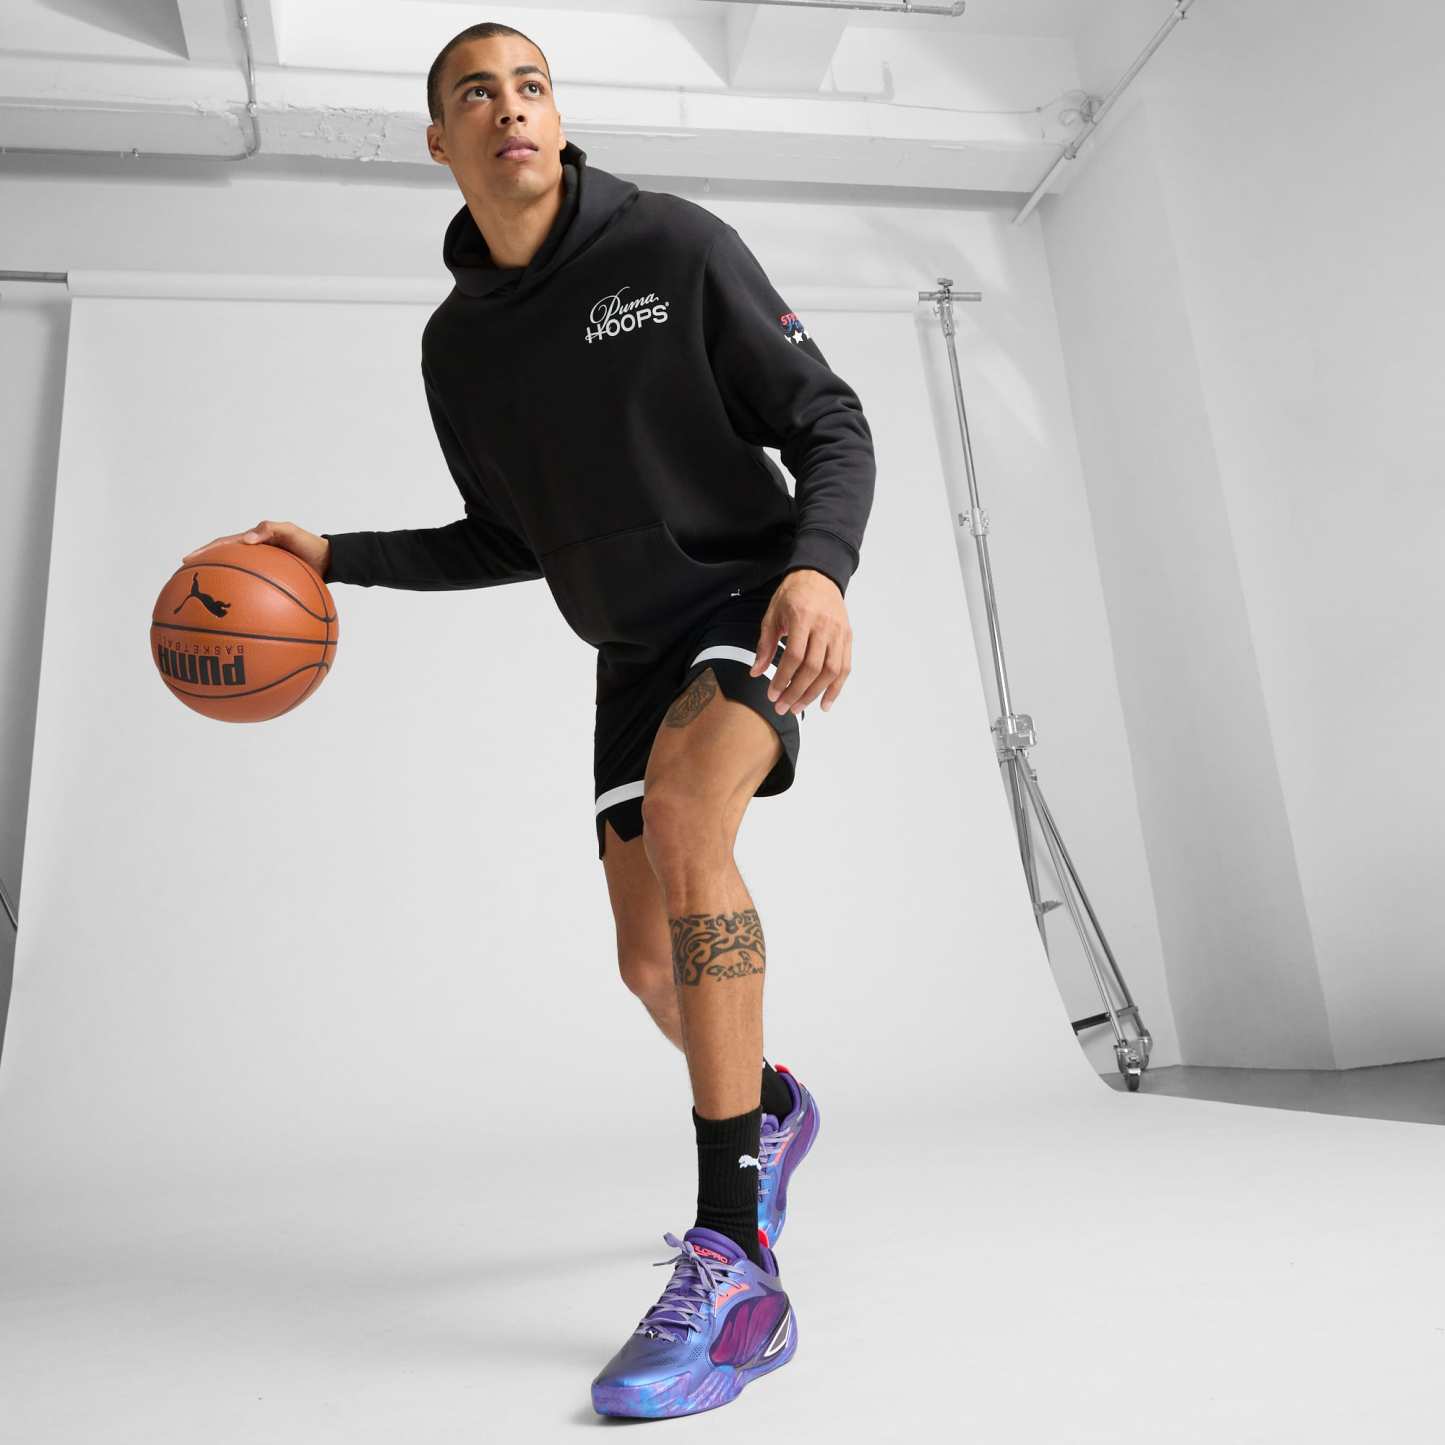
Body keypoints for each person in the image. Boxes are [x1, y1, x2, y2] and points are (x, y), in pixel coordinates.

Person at [181, 20, 874, 1421]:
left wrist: (819, 567)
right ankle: (769, 1106)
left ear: (558, 117)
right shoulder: (458, 348)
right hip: (628, 647)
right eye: (477, 94)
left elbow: (828, 418)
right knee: (647, 966)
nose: (512, 108)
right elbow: (506, 534)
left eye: (532, 86)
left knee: (689, 821)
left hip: (744, 592)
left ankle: (736, 1264)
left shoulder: (671, 245)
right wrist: (335, 556)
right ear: (440, 141)